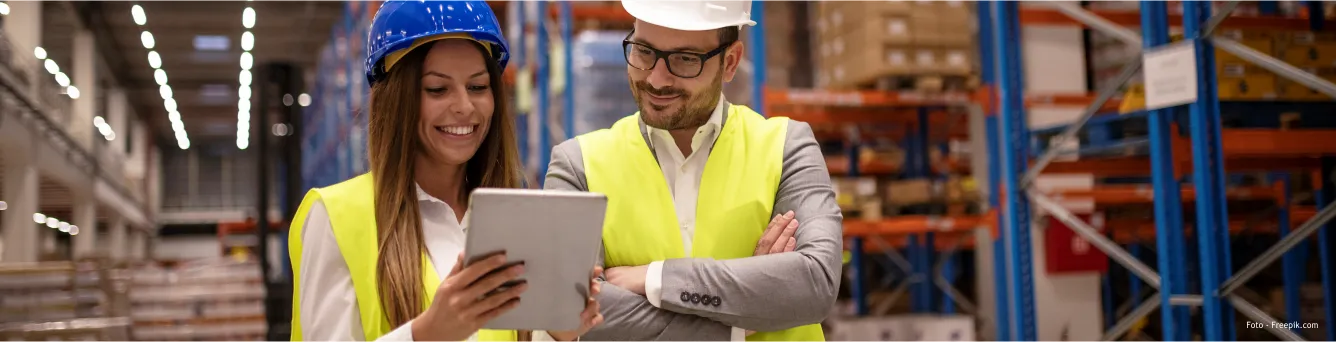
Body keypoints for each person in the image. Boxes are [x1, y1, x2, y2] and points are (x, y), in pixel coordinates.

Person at [289, 1, 601, 341]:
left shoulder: (514, 216)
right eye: (438, 89)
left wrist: (557, 334)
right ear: (396, 99)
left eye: (478, 87)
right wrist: (426, 333)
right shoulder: (336, 217)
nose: (465, 107)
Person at [544, 0, 843, 340]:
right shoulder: (578, 164)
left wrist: (655, 279)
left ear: (729, 62)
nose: (656, 79)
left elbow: (814, 282)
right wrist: (745, 314)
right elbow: (566, 306)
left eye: (684, 59)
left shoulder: (787, 147)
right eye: (643, 51)